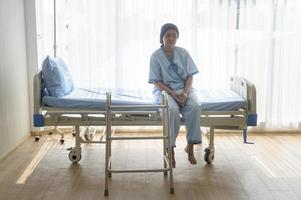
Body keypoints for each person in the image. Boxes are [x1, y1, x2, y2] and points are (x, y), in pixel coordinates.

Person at [148, 23, 202, 168]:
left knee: (195, 106)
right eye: (167, 35)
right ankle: (170, 149)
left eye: (174, 35)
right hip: (164, 90)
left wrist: (185, 93)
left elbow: (190, 76)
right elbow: (156, 81)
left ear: (177, 37)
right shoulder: (155, 56)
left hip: (184, 89)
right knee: (171, 110)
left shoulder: (183, 53)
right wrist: (172, 93)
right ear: (162, 38)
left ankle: (190, 147)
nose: (171, 38)